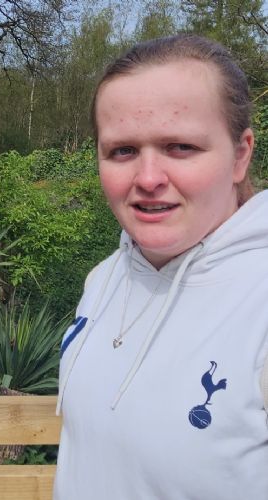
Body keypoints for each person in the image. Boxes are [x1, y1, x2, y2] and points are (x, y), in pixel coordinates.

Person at [54, 34, 268, 500]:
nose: (148, 179)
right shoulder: (104, 280)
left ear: (240, 155)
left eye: (180, 147)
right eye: (122, 151)